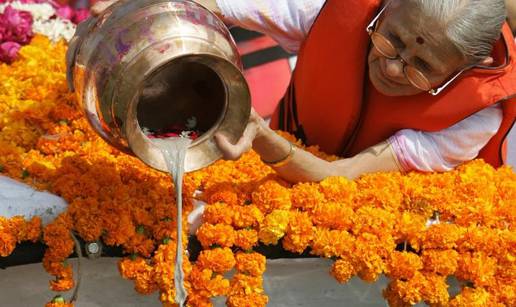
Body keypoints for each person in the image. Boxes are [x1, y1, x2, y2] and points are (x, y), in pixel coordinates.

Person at [74, 0, 516, 183]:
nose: (394, 67)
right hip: (281, 163)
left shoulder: (475, 115)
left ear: (464, 68)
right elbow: (217, 2)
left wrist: (263, 138)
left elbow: (339, 180)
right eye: (391, 39)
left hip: (383, 220)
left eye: (422, 67)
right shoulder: (334, 8)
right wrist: (139, 15)